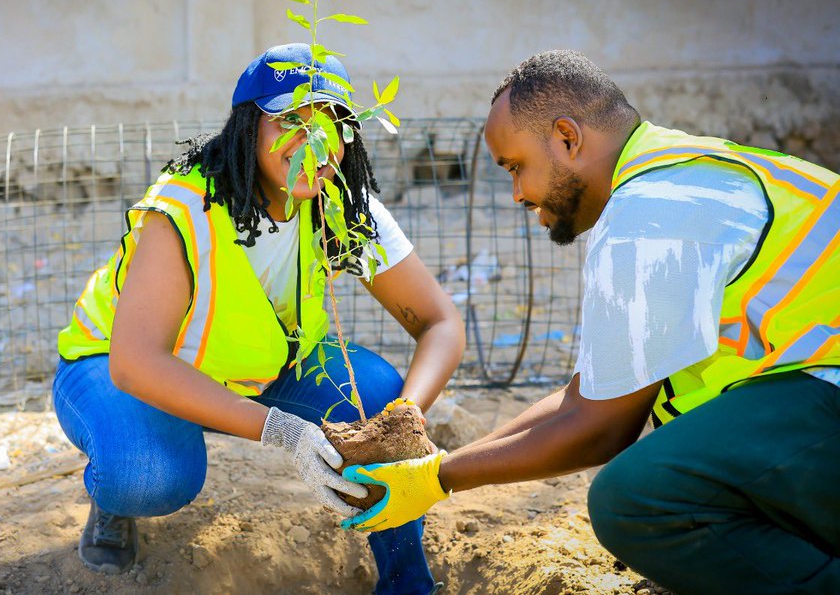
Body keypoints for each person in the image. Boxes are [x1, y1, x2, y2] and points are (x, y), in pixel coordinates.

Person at [341, 50, 840, 594]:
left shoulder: (647, 217)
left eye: (515, 167)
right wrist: (443, 471)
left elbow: (600, 427)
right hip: (814, 399)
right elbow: (585, 398)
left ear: (566, 138)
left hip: (826, 396)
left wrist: (440, 478)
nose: (517, 195)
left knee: (635, 498)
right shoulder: (677, 171)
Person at [53, 43, 465, 594]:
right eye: (291, 122)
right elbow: (136, 363)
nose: (311, 147)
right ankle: (112, 501)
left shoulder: (342, 203)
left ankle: (406, 583)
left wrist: (405, 418)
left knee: (379, 396)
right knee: (148, 477)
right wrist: (282, 430)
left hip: (257, 370)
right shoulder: (181, 210)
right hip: (120, 369)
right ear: (248, 129)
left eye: (331, 127)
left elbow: (440, 323)